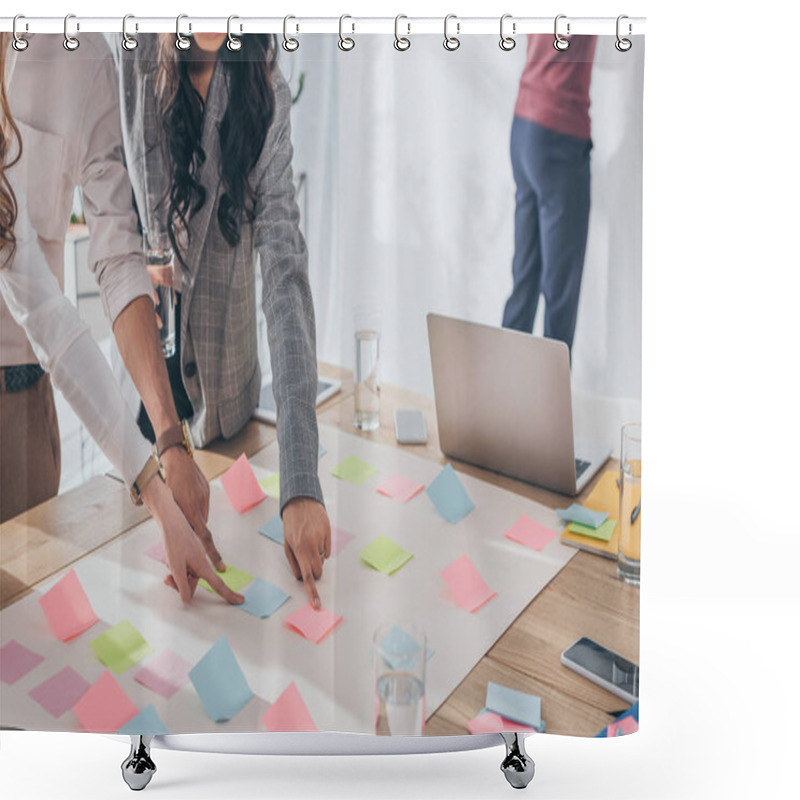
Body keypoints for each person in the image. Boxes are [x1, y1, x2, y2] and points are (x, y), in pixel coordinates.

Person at [0, 32, 241, 605]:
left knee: (27, 645)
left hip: (20, 406)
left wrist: (166, 442)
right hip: (41, 342)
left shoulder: (86, 56)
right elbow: (34, 295)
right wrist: (156, 488)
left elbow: (112, 258)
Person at [111, 33, 331, 608]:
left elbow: (284, 278)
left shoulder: (265, 93)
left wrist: (300, 479)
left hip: (226, 411)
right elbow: (112, 214)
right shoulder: (131, 57)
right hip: (142, 402)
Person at [502, 34, 598, 354]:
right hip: (560, 132)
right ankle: (549, 405)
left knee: (525, 281)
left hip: (524, 126)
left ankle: (502, 398)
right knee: (560, 298)